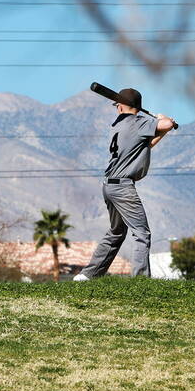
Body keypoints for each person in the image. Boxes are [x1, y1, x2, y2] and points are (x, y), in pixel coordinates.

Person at [75, 88, 174, 280]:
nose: (116, 108)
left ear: (120, 106)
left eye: (117, 104)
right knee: (142, 233)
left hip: (110, 186)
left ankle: (87, 275)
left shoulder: (119, 125)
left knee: (117, 232)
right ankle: (140, 280)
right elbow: (167, 123)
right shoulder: (140, 122)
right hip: (123, 187)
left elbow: (145, 145)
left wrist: (163, 131)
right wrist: (163, 119)